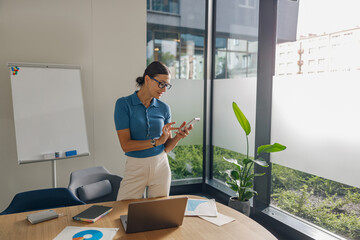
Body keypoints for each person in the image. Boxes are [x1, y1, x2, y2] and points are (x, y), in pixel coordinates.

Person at [114, 61, 193, 200]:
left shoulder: (164, 108)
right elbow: (125, 145)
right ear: (147, 79)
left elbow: (166, 147)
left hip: (161, 165)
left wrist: (178, 137)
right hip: (135, 166)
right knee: (123, 209)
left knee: (158, 213)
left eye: (167, 86)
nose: (163, 89)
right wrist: (156, 142)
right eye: (161, 84)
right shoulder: (123, 104)